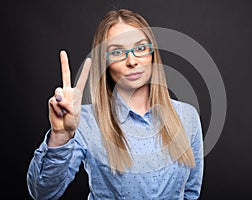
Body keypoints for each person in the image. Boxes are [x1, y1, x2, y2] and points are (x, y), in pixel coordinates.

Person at [26, 8, 204, 200]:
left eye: (141, 48)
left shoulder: (187, 116)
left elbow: (190, 193)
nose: (132, 61)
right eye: (117, 52)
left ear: (153, 54)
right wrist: (60, 136)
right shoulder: (84, 122)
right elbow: (42, 192)